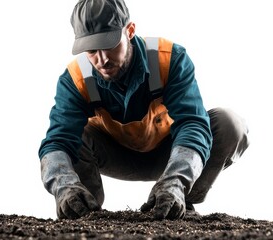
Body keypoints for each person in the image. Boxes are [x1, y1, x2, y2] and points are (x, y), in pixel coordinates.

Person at [38, 0, 249, 220]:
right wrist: (63, 186)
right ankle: (83, 208)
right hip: (115, 155)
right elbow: (58, 141)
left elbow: (192, 123)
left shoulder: (169, 59)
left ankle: (179, 200)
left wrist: (177, 180)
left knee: (229, 123)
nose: (102, 60)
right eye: (91, 50)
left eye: (109, 44)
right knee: (71, 140)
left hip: (171, 155)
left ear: (129, 31)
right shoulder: (75, 79)